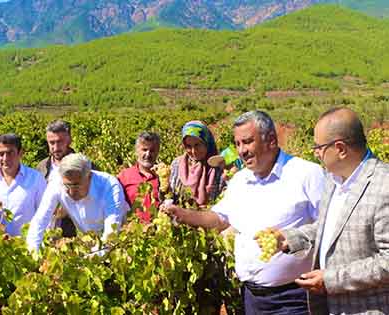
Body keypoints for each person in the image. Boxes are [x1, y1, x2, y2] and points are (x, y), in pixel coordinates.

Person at [161, 111, 325, 314]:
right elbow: (219, 218)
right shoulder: (240, 180)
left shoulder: (307, 174)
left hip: (295, 298)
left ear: (271, 141)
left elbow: (331, 227)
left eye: (247, 142)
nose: (241, 151)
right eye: (237, 144)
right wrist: (182, 214)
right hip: (252, 298)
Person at [262, 107, 389, 315]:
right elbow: (328, 229)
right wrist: (289, 238)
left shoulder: (384, 185)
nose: (316, 153)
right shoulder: (333, 179)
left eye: (319, 147)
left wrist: (331, 279)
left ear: (340, 148)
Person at [27, 153, 129, 252]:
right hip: (90, 243)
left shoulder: (109, 185)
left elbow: (111, 236)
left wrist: (86, 261)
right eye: (67, 186)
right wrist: (32, 253)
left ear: (89, 176)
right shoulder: (57, 181)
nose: (71, 192)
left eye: (76, 185)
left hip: (120, 246)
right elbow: (40, 220)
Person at [0, 133, 46, 236]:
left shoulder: (36, 178)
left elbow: (44, 213)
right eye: (1, 154)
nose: (5, 158)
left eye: (10, 153)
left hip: (26, 246)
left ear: (20, 153)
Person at [36, 119, 96, 237]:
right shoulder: (41, 167)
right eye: (51, 143)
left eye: (60, 142)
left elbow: (96, 200)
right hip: (46, 236)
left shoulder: (86, 166)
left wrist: (68, 209)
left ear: (69, 140)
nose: (56, 147)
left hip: (75, 236)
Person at [169, 120, 224, 208]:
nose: (193, 151)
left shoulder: (217, 165)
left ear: (206, 143)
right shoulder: (176, 164)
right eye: (188, 146)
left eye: (197, 145)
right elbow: (170, 194)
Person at [117, 131, 161, 222]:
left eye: (152, 150)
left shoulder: (164, 176)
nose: (148, 154)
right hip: (134, 232)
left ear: (158, 152)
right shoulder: (124, 177)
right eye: (144, 150)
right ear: (137, 151)